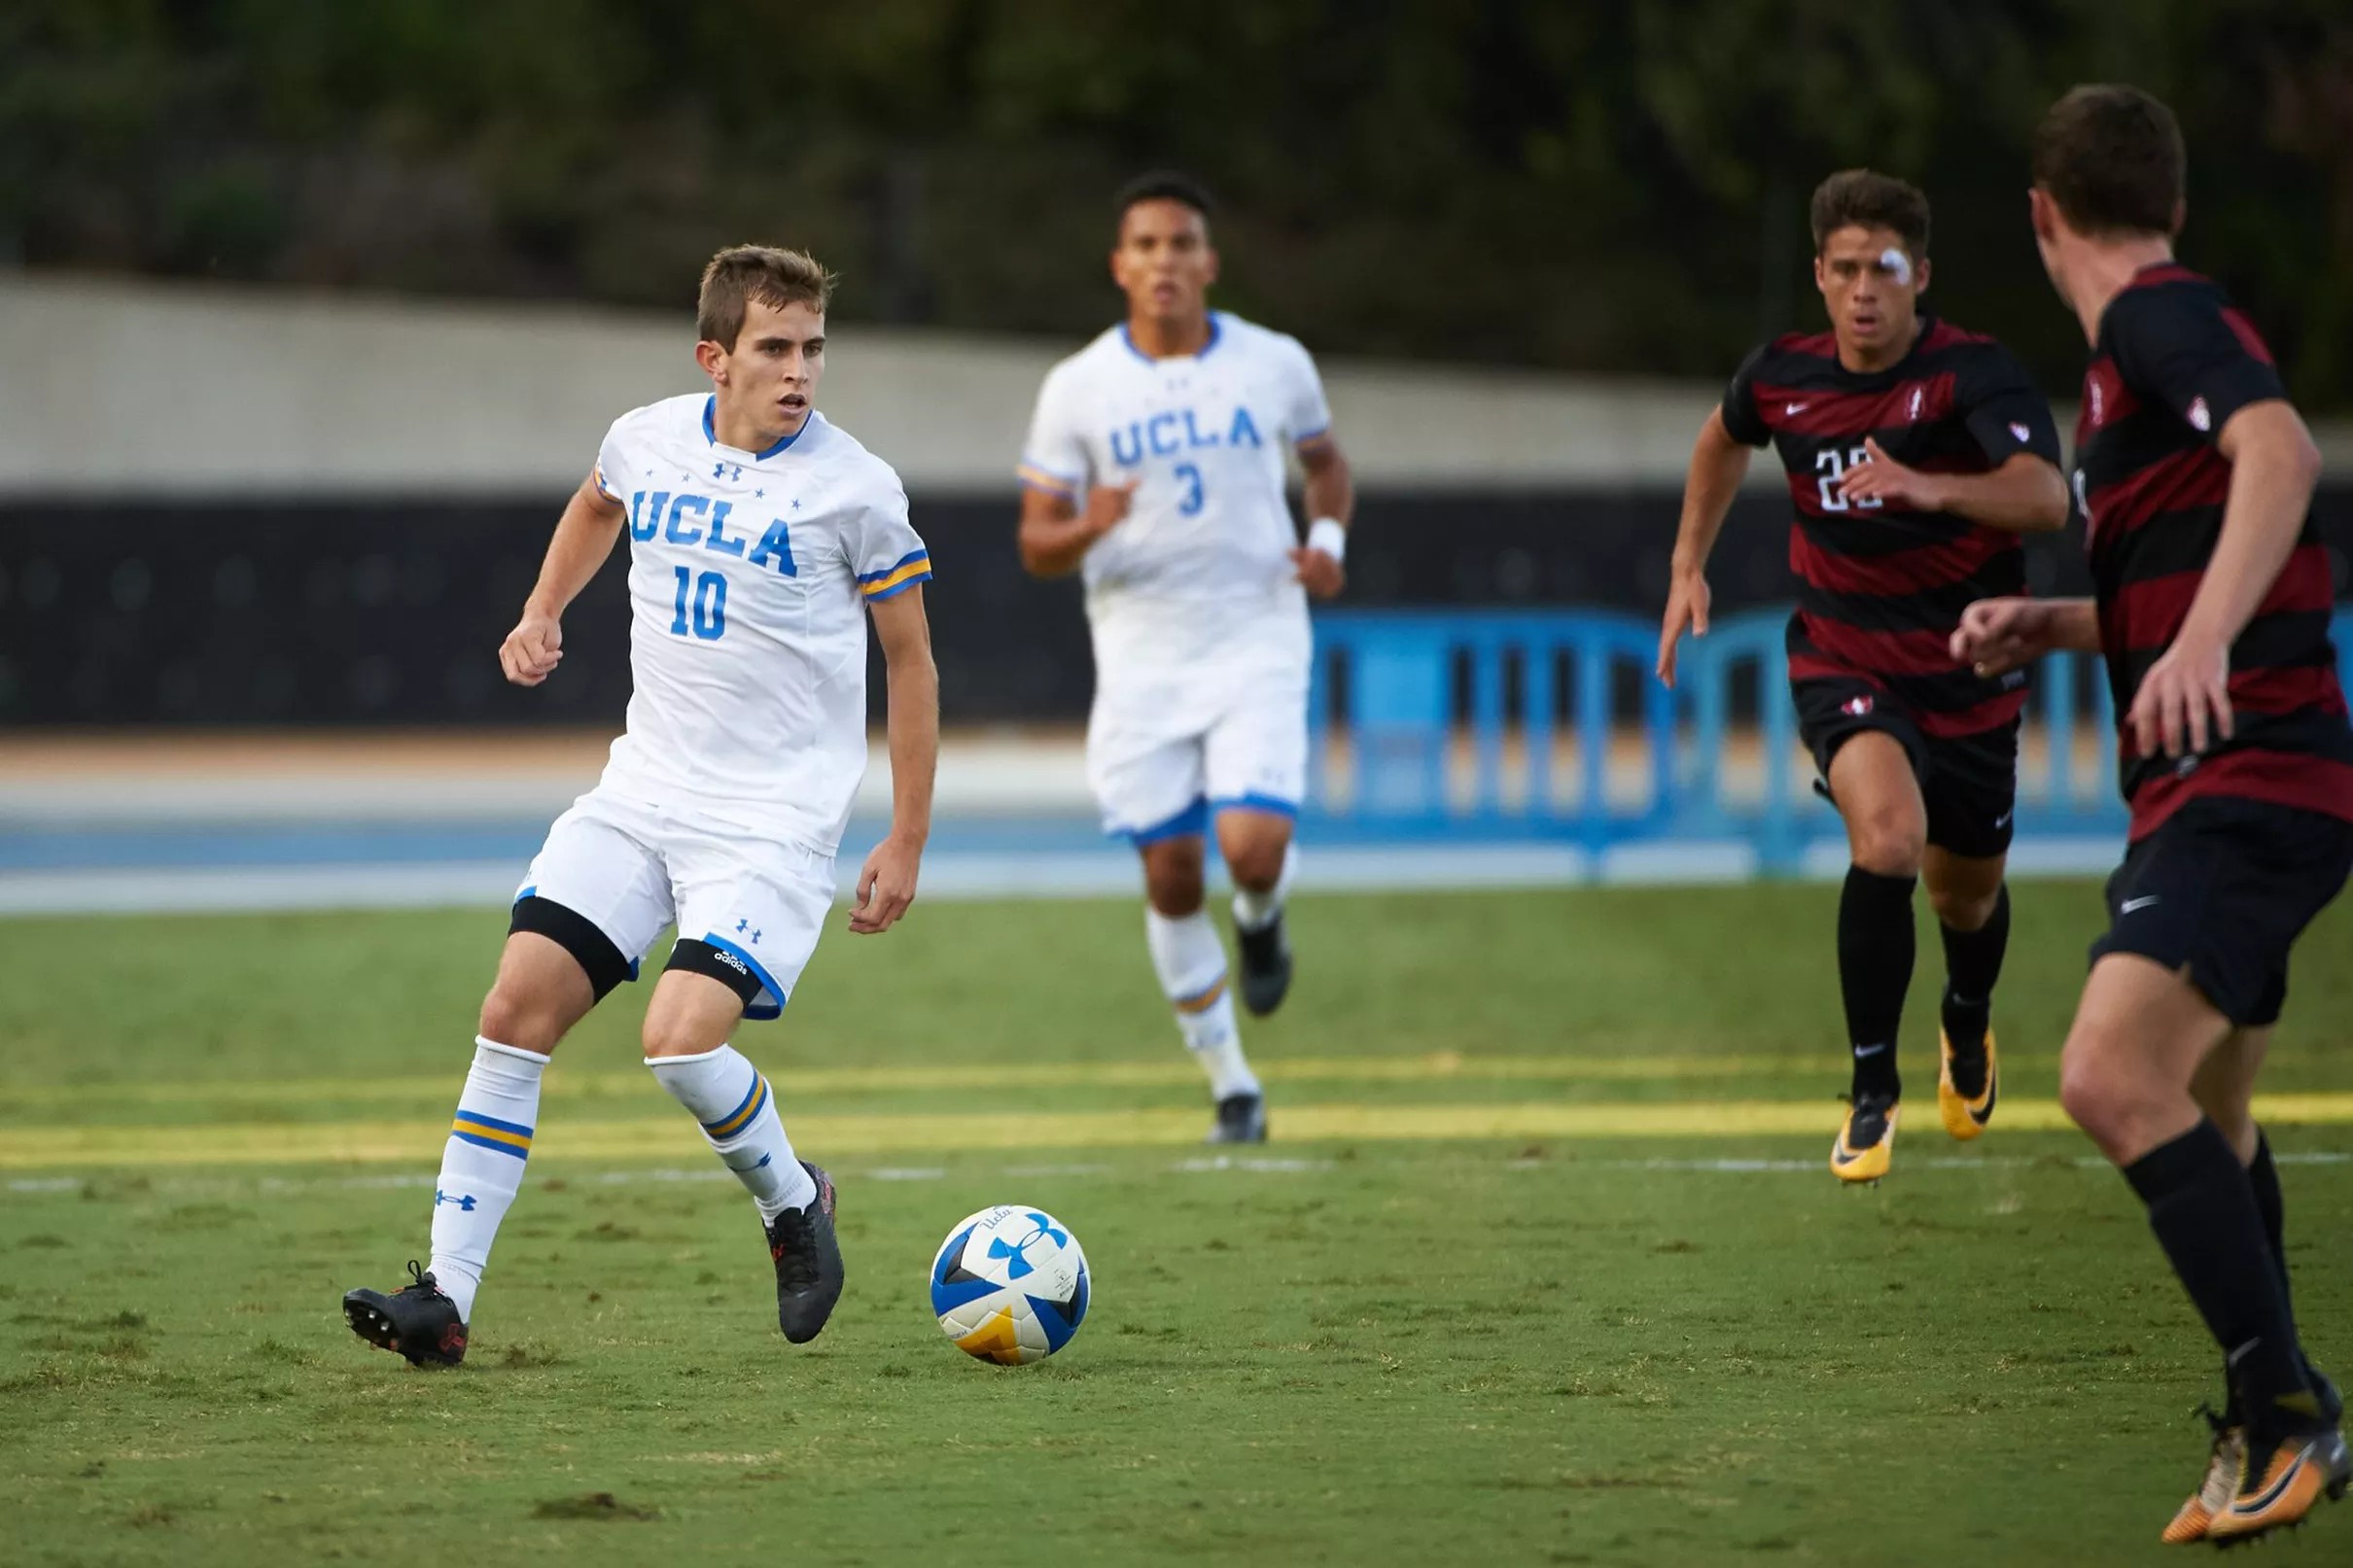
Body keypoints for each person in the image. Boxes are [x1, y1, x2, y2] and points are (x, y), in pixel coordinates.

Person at [342, 244, 937, 1365]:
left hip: (768, 825)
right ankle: (444, 1300)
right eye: (774, 347)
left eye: (812, 348)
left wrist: (905, 835)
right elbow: (594, 503)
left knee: (676, 1042)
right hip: (640, 796)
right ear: (715, 357)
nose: (798, 370)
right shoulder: (645, 438)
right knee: (512, 1009)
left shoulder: (856, 487)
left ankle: (792, 1200)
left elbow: (909, 661)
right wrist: (542, 608)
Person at [1951, 84, 2349, 1545]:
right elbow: (2188, 567)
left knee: (2110, 1074)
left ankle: (2287, 1412)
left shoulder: (2151, 320)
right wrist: (2061, 624)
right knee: (2213, 1110)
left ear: (2040, 215)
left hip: (2245, 779)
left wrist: (2201, 647)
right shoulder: (2139, 363)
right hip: (2244, 778)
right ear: (2170, 198)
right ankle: (2276, 1422)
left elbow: (2283, 455)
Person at [1657, 170, 2069, 1182]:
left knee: (1965, 896)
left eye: (1882, 268)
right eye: (1843, 270)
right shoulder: (1781, 375)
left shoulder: (1972, 374)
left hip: (1968, 664)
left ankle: (1965, 1017)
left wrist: (1929, 485)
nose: (1862, 290)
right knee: (1886, 838)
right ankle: (1871, 1092)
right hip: (1842, 656)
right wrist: (1685, 565)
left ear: (1918, 275)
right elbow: (1721, 437)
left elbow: (2045, 498)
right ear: (1819, 276)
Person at [1014, 172, 1354, 1143]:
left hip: (1256, 631)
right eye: (1146, 245)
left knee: (1251, 847)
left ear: (1209, 261)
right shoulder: (1078, 385)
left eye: (1181, 243)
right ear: (1119, 265)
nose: (1164, 260)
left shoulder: (1273, 361)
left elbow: (1326, 464)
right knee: (1169, 872)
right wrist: (1088, 522)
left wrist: (1326, 543)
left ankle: (1259, 914)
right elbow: (1035, 542)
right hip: (1140, 653)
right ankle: (1232, 1085)